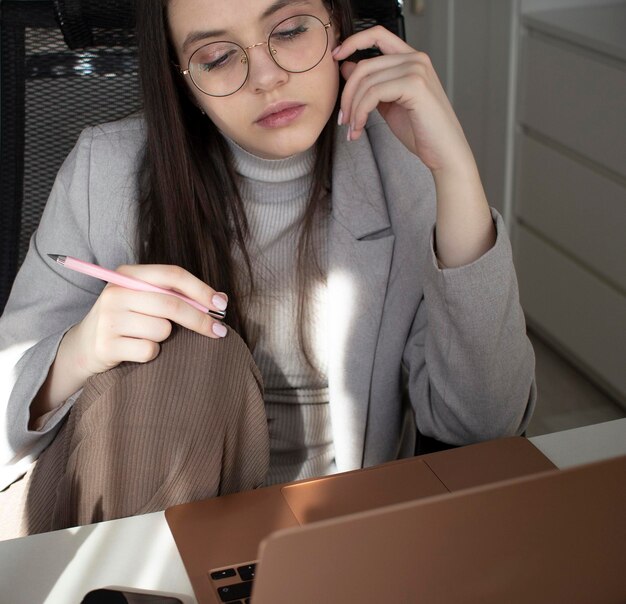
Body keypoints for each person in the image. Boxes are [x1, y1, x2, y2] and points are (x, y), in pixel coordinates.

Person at [0, 0, 536, 539]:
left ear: (340, 27)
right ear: (183, 81)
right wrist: (79, 352)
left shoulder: (401, 163)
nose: (267, 76)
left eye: (291, 30)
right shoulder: (104, 171)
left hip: (325, 542)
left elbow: (483, 425)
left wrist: (455, 172)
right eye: (215, 57)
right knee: (189, 354)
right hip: (130, 528)